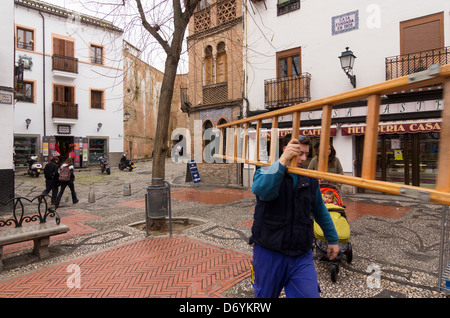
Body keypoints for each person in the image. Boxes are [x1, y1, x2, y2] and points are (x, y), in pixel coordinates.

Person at [250, 135, 339, 298]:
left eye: (306, 154)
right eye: (300, 154)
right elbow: (262, 190)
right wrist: (282, 162)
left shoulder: (309, 178)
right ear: (287, 150)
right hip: (270, 252)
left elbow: (320, 210)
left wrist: (332, 239)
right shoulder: (266, 169)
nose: (304, 158)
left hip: (301, 253)